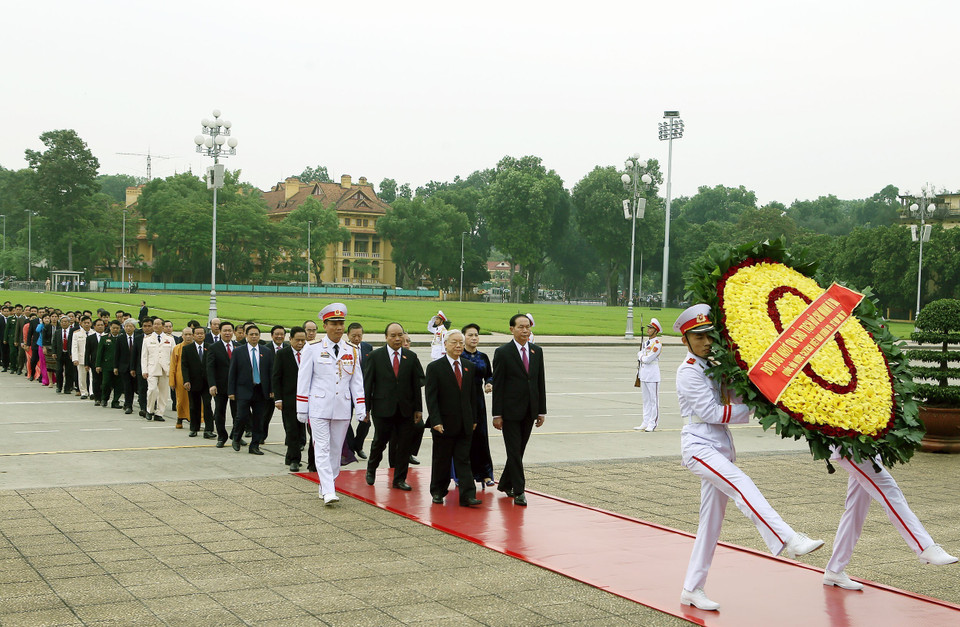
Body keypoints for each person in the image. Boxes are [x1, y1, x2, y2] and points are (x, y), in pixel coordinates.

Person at [674, 304, 823, 612]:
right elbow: (712, 413)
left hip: (719, 448)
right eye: (697, 337)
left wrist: (761, 391)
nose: (704, 342)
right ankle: (787, 538)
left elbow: (736, 397)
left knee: (710, 524)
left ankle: (692, 588)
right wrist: (757, 409)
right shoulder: (688, 371)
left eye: (707, 335)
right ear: (684, 340)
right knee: (742, 484)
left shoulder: (715, 365)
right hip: (698, 447)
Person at [822, 449, 958, 590]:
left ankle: (835, 569)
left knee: (856, 508)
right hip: (849, 444)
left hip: (864, 444)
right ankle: (925, 546)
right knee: (889, 490)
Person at [296, 303, 365, 505]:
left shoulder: (351, 350)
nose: (338, 328)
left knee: (335, 452)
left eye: (341, 323)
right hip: (318, 407)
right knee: (322, 449)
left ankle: (325, 484)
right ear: (325, 325)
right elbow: (304, 379)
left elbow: (356, 382)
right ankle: (329, 490)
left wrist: (361, 408)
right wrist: (301, 408)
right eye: (334, 323)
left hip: (342, 408)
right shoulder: (313, 348)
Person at [491, 313, 546, 507]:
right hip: (510, 412)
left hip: (529, 411)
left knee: (518, 451)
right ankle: (519, 490)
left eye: (527, 327)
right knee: (513, 451)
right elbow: (498, 384)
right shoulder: (503, 352)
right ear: (512, 329)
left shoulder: (536, 351)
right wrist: (497, 414)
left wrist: (541, 411)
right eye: (521, 327)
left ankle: (506, 483)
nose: (525, 330)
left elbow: (539, 382)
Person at [363, 322, 425, 491]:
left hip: (405, 409)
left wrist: (418, 409)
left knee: (404, 445)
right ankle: (371, 469)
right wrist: (365, 409)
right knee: (380, 442)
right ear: (386, 337)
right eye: (393, 336)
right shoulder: (375, 357)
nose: (397, 339)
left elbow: (416, 386)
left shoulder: (410, 357)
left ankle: (399, 479)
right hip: (383, 408)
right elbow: (368, 385)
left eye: (400, 335)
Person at [426, 329, 482, 507]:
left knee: (464, 460)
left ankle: (467, 495)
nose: (458, 346)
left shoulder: (468, 366)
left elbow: (472, 396)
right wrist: (435, 421)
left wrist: (473, 418)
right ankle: (438, 491)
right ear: (445, 344)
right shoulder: (435, 367)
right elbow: (431, 397)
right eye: (454, 342)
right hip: (443, 423)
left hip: (465, 423)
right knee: (441, 460)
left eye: (460, 342)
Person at [228, 324, 274, 455]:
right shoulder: (238, 351)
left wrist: (271, 389)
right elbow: (233, 372)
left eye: (256, 334)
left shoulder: (266, 351)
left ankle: (254, 446)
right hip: (243, 390)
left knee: (259, 420)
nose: (254, 337)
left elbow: (270, 372)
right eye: (251, 334)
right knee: (241, 416)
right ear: (246, 336)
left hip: (260, 390)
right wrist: (231, 391)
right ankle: (236, 437)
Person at [460, 323, 495, 487]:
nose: (474, 338)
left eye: (476, 335)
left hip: (478, 401)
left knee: (480, 437)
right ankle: (463, 474)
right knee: (464, 438)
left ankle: (485, 474)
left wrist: (489, 383)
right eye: (470, 335)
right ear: (463, 338)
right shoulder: (459, 356)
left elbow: (489, 375)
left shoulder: (483, 357)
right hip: (462, 400)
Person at [273, 326, 308, 471]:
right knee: (291, 429)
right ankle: (294, 459)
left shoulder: (309, 353)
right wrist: (278, 398)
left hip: (306, 399)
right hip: (289, 399)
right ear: (291, 339)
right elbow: (276, 377)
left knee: (301, 431)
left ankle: (290, 455)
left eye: (303, 340)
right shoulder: (282, 354)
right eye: (298, 340)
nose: (300, 343)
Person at [206, 321, 239, 447]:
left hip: (236, 386)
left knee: (238, 413)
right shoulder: (214, 347)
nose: (227, 333)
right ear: (220, 332)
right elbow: (210, 368)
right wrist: (212, 384)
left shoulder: (238, 346)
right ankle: (222, 436)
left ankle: (236, 435)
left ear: (233, 332)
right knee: (220, 412)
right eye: (225, 330)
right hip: (220, 386)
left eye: (230, 331)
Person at [346, 322, 374, 459]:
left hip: (364, 391)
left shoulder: (367, 348)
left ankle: (358, 445)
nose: (357, 339)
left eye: (359, 335)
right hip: (347, 392)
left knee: (366, 421)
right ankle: (350, 447)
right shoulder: (344, 348)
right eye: (354, 336)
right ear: (348, 335)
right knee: (345, 421)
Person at [181, 326, 214, 439]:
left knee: (207, 405)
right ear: (193, 335)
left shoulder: (210, 348)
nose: (200, 335)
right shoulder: (187, 349)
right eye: (197, 333)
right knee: (194, 406)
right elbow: (184, 366)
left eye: (202, 333)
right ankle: (194, 428)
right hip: (193, 383)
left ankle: (209, 429)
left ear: (205, 335)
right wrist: (186, 381)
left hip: (207, 383)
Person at [141, 317, 173, 422]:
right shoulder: (147, 339)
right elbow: (144, 356)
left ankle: (160, 413)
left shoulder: (170, 339)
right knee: (152, 390)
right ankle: (149, 410)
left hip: (165, 369)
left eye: (159, 324)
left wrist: (172, 370)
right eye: (155, 324)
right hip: (152, 369)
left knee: (163, 393)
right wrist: (144, 370)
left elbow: (173, 356)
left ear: (163, 326)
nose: (156, 326)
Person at [635, 318, 662, 432]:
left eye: (651, 328)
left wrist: (641, 357)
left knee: (653, 400)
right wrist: (641, 356)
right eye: (648, 327)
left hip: (652, 375)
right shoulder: (646, 343)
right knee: (646, 400)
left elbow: (647, 359)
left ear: (655, 331)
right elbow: (640, 353)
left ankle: (652, 422)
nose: (648, 330)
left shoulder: (657, 344)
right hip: (644, 374)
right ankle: (645, 421)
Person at [169, 327, 194, 428]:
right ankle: (180, 418)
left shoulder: (197, 347)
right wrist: (172, 381)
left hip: (194, 377)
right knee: (181, 400)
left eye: (190, 334)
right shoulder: (177, 348)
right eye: (186, 334)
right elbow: (173, 365)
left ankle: (193, 419)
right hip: (180, 378)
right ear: (182, 336)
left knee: (195, 400)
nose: (188, 337)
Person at [96, 320, 123, 408]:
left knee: (118, 384)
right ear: (110, 328)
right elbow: (100, 353)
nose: (115, 330)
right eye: (113, 328)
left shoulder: (122, 338)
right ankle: (104, 399)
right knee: (106, 383)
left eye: (117, 328)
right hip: (107, 365)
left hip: (120, 365)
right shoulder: (104, 338)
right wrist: (98, 365)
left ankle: (115, 401)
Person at [115, 319, 138, 413]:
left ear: (134, 327)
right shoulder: (120, 338)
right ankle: (129, 405)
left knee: (136, 387)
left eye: (130, 326)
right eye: (126, 326)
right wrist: (116, 367)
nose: (128, 328)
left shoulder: (138, 337)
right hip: (124, 367)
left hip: (136, 367)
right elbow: (117, 353)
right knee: (127, 387)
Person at [71, 315, 93, 399]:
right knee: (82, 376)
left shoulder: (94, 333)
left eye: (88, 323)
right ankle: (84, 392)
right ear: (81, 323)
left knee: (92, 377)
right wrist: (75, 358)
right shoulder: (77, 334)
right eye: (85, 323)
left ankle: (92, 392)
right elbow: (74, 347)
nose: (87, 324)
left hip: (92, 358)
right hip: (81, 358)